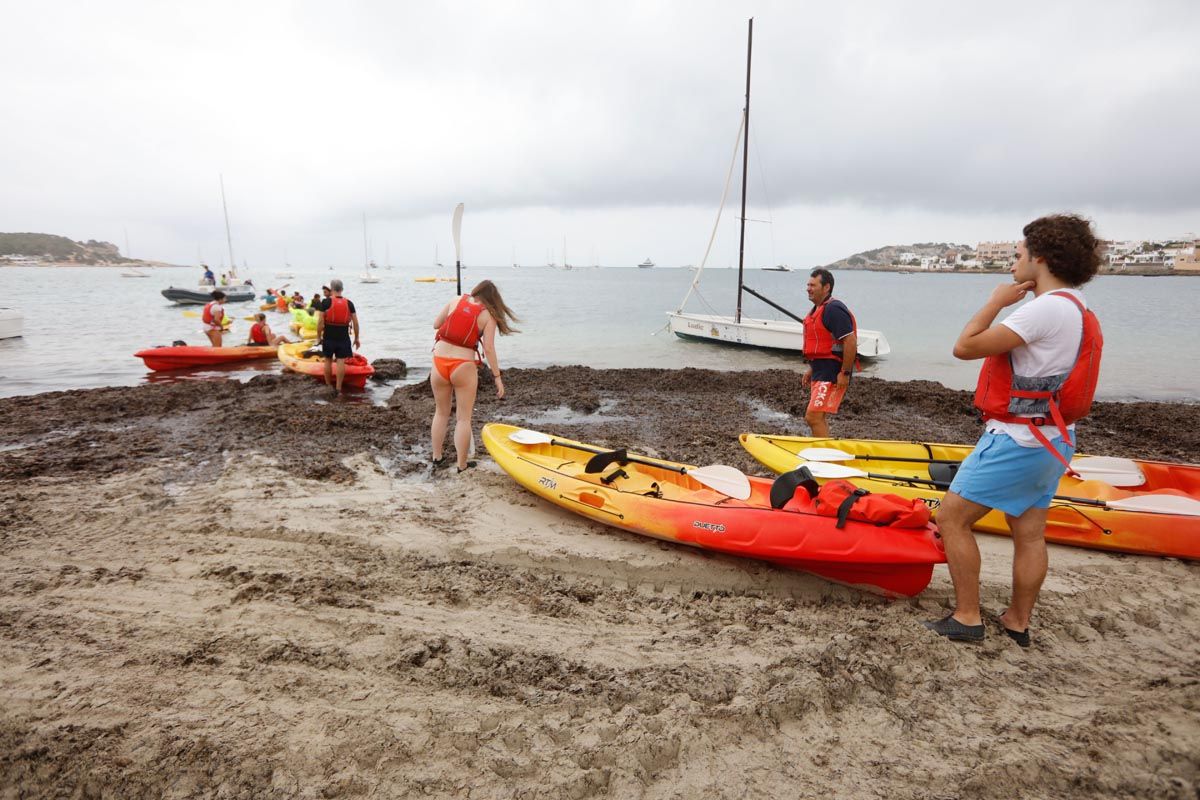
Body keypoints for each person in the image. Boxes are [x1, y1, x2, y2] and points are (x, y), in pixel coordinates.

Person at [925, 214, 1103, 647]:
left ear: (1040, 258)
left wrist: (996, 302)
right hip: (1054, 439)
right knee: (1029, 532)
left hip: (1019, 439)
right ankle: (1017, 621)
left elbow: (965, 347)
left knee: (951, 518)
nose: (1012, 262)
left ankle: (967, 617)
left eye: (1018, 254)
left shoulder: (1043, 309)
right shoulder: (1077, 308)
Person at [430, 280, 519, 472]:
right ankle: (461, 465)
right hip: (463, 366)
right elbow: (488, 348)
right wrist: (497, 376)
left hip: (439, 361)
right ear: (493, 299)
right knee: (463, 419)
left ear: (476, 291)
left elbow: (436, 324)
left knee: (441, 412)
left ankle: (436, 457)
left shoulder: (455, 300)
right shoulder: (489, 316)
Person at [800, 268, 857, 437]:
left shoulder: (834, 309)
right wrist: (812, 368)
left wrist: (845, 373)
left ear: (826, 287)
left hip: (832, 372)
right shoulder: (817, 310)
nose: (808, 288)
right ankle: (823, 451)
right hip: (820, 370)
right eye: (808, 285)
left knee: (813, 417)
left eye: (813, 285)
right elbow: (823, 346)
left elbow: (850, 341)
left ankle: (823, 455)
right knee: (817, 416)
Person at [317, 279, 361, 393]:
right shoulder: (349, 303)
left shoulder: (325, 302)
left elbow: (320, 322)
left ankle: (328, 386)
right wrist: (356, 338)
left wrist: (318, 337)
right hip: (343, 336)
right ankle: (338, 388)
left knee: (328, 360)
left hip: (329, 335)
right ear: (342, 289)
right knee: (341, 361)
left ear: (331, 289)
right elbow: (355, 323)